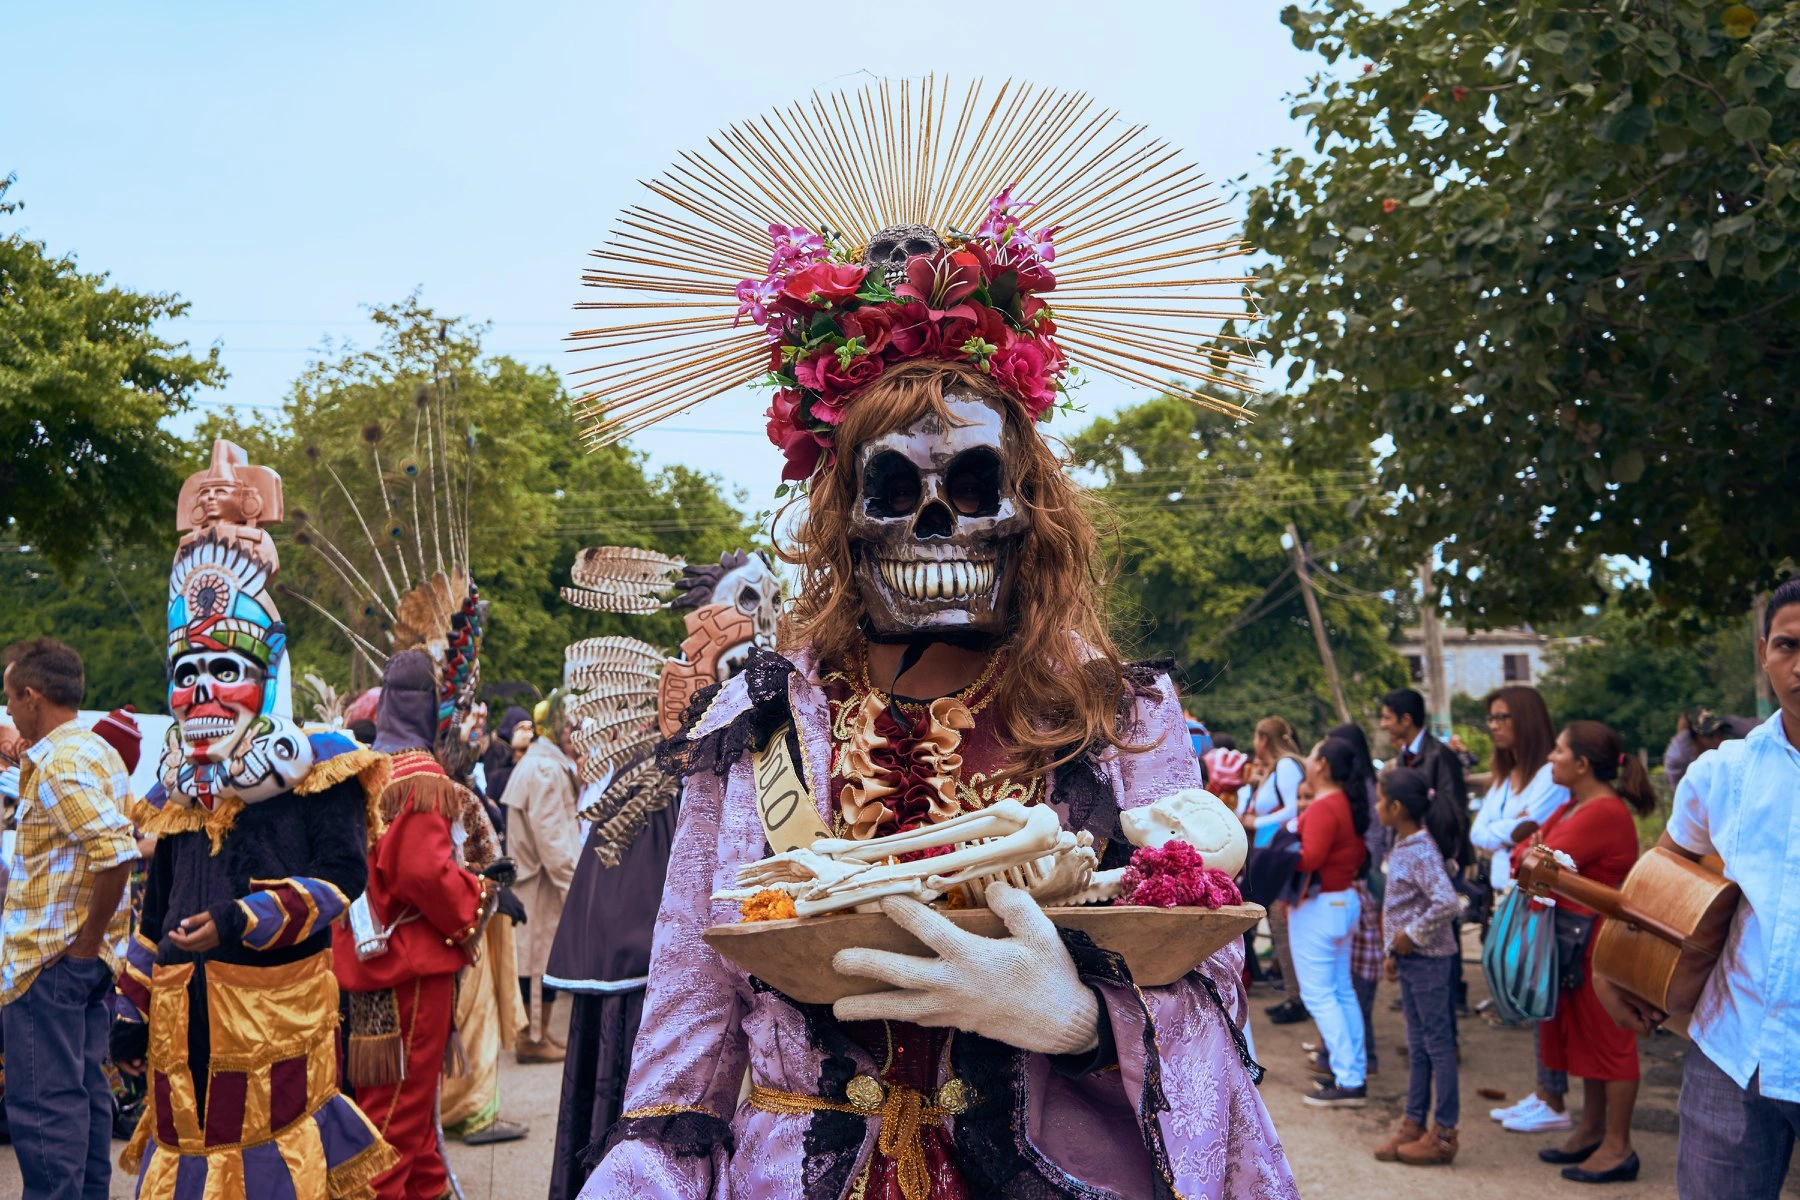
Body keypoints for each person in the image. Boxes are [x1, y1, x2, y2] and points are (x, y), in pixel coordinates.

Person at [117, 441, 396, 1197]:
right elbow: (156, 909)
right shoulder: (177, 790)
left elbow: (341, 881)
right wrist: (130, 1010)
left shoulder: (319, 770)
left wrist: (238, 920)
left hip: (272, 1032)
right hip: (181, 1041)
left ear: (266, 674)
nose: (202, 690)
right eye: (186, 673)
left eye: (224, 669)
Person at [546, 548, 783, 1200]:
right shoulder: (664, 773)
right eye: (747, 601)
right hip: (648, 983)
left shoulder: (782, 740)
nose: (764, 619)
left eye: (773, 600)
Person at [1600, 580, 1800, 1198]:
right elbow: (1663, 874)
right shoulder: (1725, 772)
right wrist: (1617, 969)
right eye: (1788, 645)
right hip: (1733, 1049)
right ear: (1763, 653)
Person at [333, 650, 499, 1200]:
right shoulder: (420, 777)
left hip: (370, 960)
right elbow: (422, 874)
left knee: (412, 1117)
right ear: (431, 708)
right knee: (395, 1123)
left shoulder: (366, 767)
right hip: (410, 969)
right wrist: (478, 893)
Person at [0, 639, 137, 1200]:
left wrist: (84, 942)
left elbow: (117, 851)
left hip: (50, 963)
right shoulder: (97, 751)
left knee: (43, 1105)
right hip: (81, 964)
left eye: (10, 698)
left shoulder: (59, 764)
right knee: (82, 1094)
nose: (9, 712)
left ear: (32, 696)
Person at [1510, 720, 1654, 1185]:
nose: (1551, 757)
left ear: (1583, 764)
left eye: (1558, 750)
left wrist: (1532, 851)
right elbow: (1525, 858)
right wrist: (1531, 852)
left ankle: (1618, 1146)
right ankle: (1593, 1130)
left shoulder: (1602, 813)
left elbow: (1534, 863)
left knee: (1610, 1042)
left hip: (1600, 943)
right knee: (1588, 1040)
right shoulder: (1576, 805)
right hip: (1579, 938)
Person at [1469, 685, 1574, 1134]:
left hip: (1536, 898)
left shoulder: (1549, 776)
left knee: (1537, 993)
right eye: (1491, 718)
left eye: (1502, 717)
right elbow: (1480, 832)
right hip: (1506, 895)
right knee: (1524, 994)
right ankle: (1544, 1091)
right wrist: (1505, 829)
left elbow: (1528, 830)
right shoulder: (1504, 775)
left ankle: (1553, 1096)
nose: (1494, 726)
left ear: (1525, 720)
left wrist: (1503, 830)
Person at [1372, 766, 1463, 1166]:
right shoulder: (1404, 845)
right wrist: (1393, 953)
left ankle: (1443, 1133)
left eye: (1380, 800)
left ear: (1396, 807)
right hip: (1410, 961)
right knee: (1419, 1045)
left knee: (1438, 1046)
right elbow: (1402, 906)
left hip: (1429, 962)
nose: (1376, 807)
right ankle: (1413, 1123)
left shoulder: (1421, 851)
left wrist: (1411, 935)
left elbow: (1447, 902)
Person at [1291, 736, 1372, 1106]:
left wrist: (1276, 848)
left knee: (1321, 995)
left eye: (1311, 754)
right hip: (1342, 901)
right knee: (1340, 991)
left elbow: (1309, 858)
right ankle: (1352, 1073)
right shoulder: (1343, 803)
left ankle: (1349, 1079)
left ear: (1322, 764)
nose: (1307, 760)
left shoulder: (1326, 805)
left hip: (1320, 907)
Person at [504, 691, 582, 1064]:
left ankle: (537, 1034)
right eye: (569, 725)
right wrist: (576, 890)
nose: (574, 733)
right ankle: (532, 1038)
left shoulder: (541, 763)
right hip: (540, 885)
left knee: (538, 961)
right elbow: (554, 842)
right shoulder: (545, 769)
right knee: (538, 963)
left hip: (536, 882)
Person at [1242, 715, 1309, 1023]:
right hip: (1269, 853)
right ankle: (1294, 994)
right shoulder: (1275, 769)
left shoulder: (1286, 767)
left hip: (1282, 854)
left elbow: (1295, 808)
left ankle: (1298, 997)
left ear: (1264, 739)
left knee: (1282, 922)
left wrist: (1257, 822)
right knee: (1278, 923)